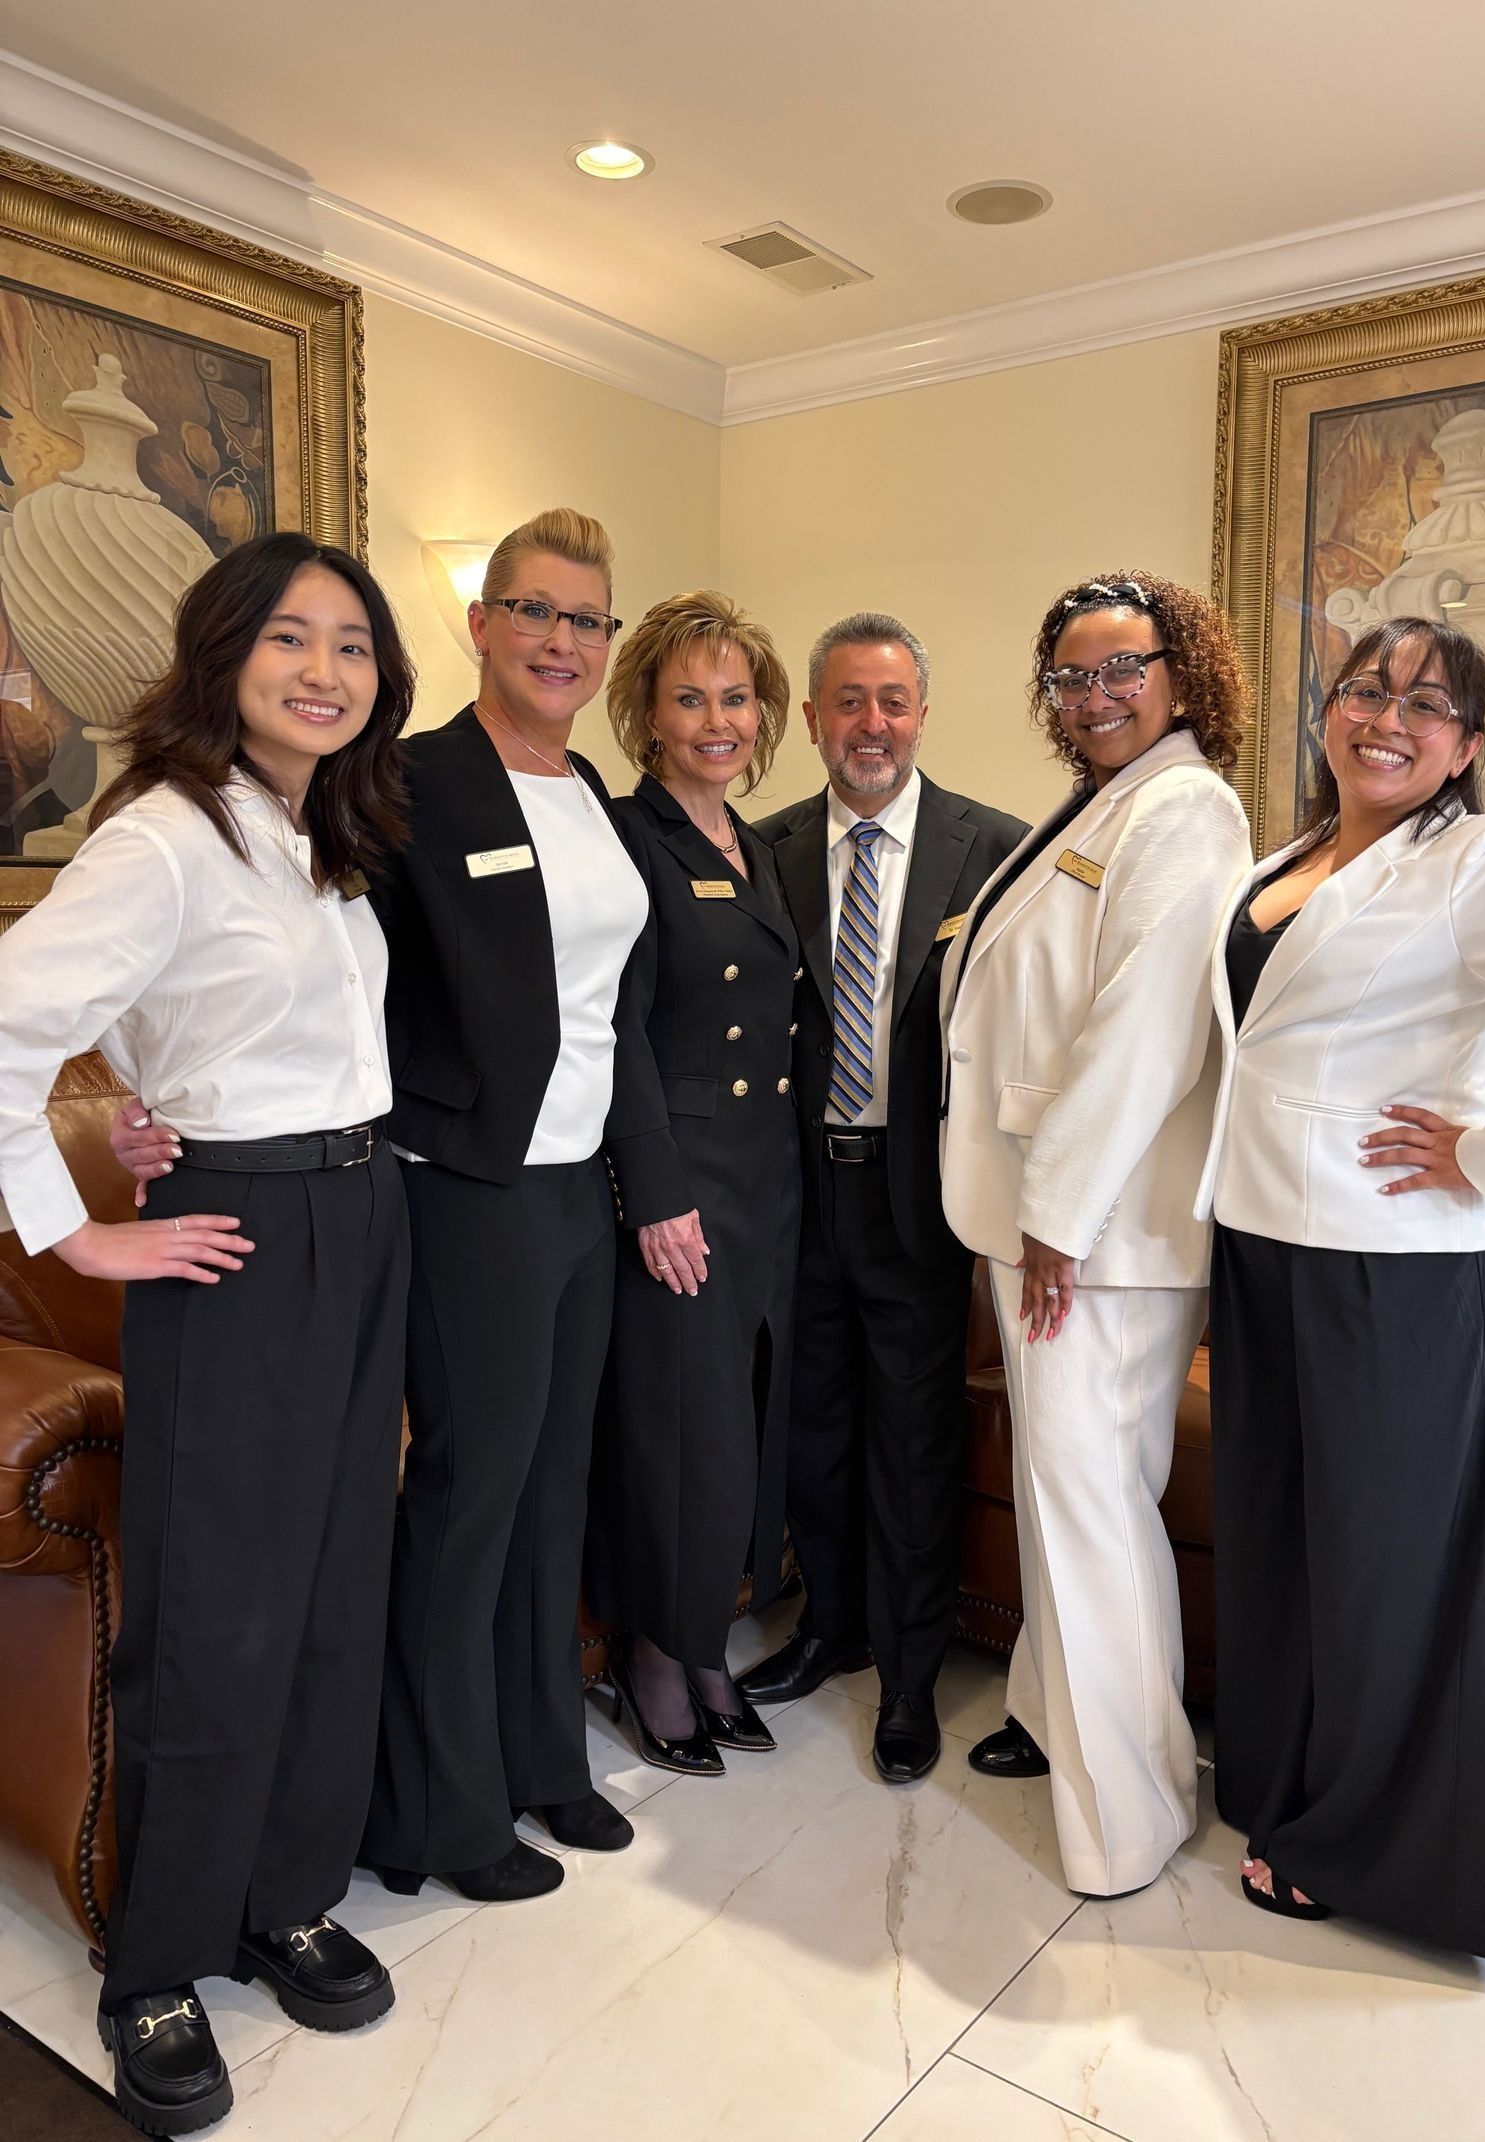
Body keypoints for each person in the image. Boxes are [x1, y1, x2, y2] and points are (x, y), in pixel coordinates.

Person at [5, 533, 413, 2135]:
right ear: (224, 652)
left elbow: (209, 1029)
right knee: (221, 1611)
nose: (326, 670)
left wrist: (156, 1093)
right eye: (293, 639)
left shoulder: (319, 834)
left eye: (354, 647)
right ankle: (157, 1966)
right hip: (237, 1246)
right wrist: (80, 1221)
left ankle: (286, 1895)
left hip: (363, 1216)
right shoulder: (162, 836)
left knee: (331, 1588)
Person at [1198, 616, 1485, 1959]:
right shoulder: (1289, 858)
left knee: (1378, 1572)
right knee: (1287, 1546)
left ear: (1466, 746)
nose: (1385, 716)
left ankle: (1368, 1855)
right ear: (1327, 709)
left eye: (1424, 703)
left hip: (1402, 1271)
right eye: (1363, 688)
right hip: (1264, 1241)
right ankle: (1282, 1791)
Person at [359, 509, 691, 1897]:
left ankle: (544, 1762)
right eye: (534, 611)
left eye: (585, 620)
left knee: (555, 1492)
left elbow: (612, 1018)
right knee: (469, 1494)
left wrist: (643, 1186)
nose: (560, 640)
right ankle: (443, 1810)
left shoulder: (601, 803)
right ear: (482, 624)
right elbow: (352, 982)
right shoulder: (410, 781)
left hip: (575, 1195)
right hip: (466, 1191)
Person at [940, 572, 1252, 1895]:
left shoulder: (1183, 807)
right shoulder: (1097, 806)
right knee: (1075, 1490)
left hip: (1094, 1231)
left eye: (1122, 667)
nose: (1094, 695)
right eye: (1069, 675)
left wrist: (1056, 1217)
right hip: (1047, 1212)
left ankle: (1128, 1813)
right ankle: (1046, 1711)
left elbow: (1138, 1031)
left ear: (1181, 673)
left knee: (1085, 1509)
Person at [741, 614, 1027, 1782]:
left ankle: (909, 1676)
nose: (871, 724)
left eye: (892, 700)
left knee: (910, 1440)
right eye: (847, 702)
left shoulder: (995, 853)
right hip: (796, 1192)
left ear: (922, 712)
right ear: (810, 719)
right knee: (809, 1426)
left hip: (919, 1200)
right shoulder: (759, 849)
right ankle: (832, 1627)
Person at [588, 591, 800, 1773]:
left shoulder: (759, 847)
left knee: (743, 1429)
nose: (715, 719)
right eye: (689, 698)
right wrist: (652, 1190)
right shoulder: (630, 840)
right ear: (648, 715)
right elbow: (615, 1030)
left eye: (734, 696)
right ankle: (655, 1655)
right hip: (679, 1186)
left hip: (765, 1184)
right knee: (683, 1432)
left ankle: (705, 1643)